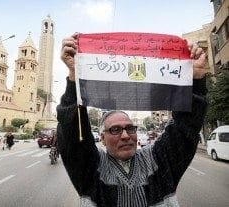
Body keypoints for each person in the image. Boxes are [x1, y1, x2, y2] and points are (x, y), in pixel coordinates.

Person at [56, 33, 207, 206]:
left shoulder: (158, 160)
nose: (126, 135)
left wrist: (195, 79)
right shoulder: (91, 169)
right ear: (102, 139)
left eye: (130, 128)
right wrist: (75, 75)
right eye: (115, 130)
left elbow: (185, 128)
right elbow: (71, 133)